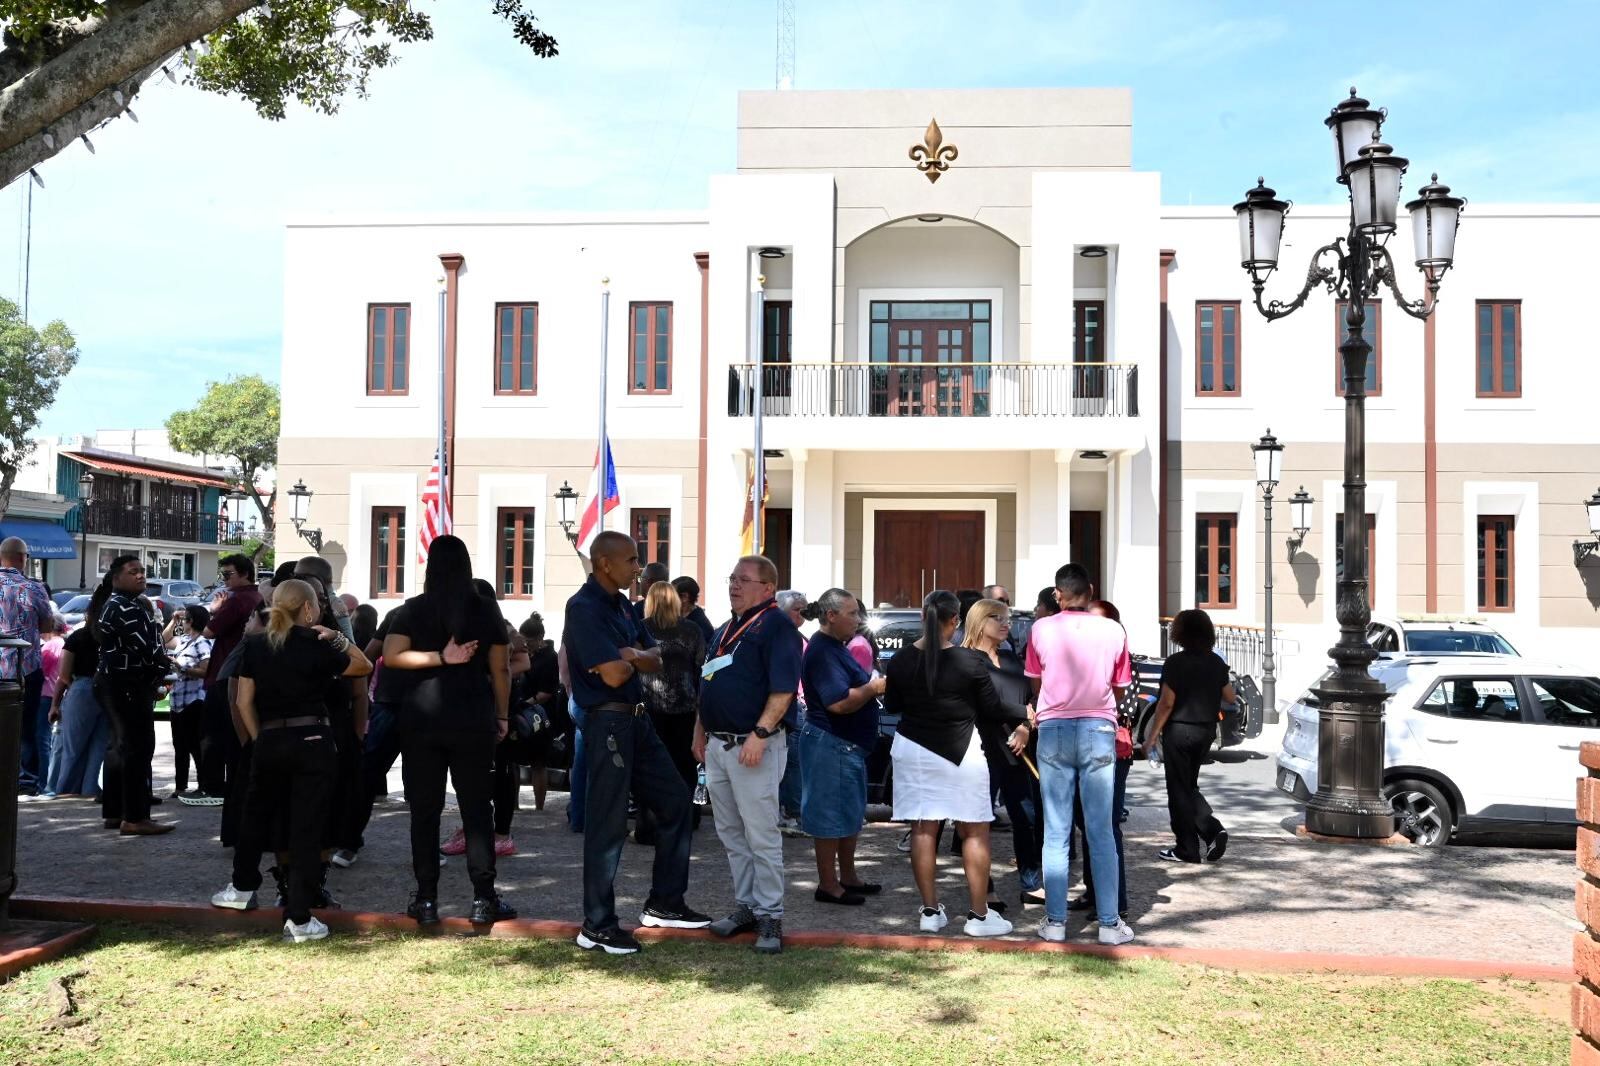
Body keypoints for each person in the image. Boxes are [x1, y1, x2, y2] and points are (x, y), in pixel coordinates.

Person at [565, 531, 709, 955]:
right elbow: (613, 674)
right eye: (631, 560)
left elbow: (655, 658)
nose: (638, 568)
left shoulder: (623, 608)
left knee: (677, 801)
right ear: (604, 564)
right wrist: (630, 657)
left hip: (638, 719)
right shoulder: (583, 607)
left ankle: (665, 903)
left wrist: (628, 655)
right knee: (608, 824)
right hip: (608, 721)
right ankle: (597, 925)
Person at [210, 579, 372, 943]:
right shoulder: (317, 645)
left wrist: (259, 736)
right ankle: (298, 917)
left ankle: (241, 888)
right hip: (313, 737)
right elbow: (362, 667)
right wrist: (337, 637)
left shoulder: (255, 644)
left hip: (270, 737)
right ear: (310, 609)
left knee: (254, 815)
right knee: (306, 826)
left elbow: (241, 700)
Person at [382, 535, 517, 926]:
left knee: (424, 811)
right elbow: (501, 669)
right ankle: (483, 897)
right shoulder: (485, 610)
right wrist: (503, 716)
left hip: (421, 718)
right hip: (472, 717)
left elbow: (391, 657)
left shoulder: (412, 609)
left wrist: (437, 657)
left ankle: (426, 899)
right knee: (477, 809)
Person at [885, 590, 1025, 938]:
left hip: (913, 748)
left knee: (922, 829)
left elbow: (891, 706)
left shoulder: (901, 659)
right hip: (961, 750)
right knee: (975, 829)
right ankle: (979, 915)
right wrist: (1026, 713)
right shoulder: (969, 661)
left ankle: (930, 911)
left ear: (922, 617)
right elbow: (992, 707)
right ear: (955, 621)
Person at [694, 555, 801, 955]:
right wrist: (699, 732)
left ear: (768, 588)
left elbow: (784, 688)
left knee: (761, 835)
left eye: (744, 579)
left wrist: (760, 732)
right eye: (732, 577)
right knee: (731, 834)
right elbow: (709, 682)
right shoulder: (724, 629)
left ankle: (771, 915)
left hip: (753, 745)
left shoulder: (777, 627)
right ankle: (747, 907)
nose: (734, 585)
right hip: (719, 747)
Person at [1025, 563, 1135, 946]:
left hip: (1053, 727)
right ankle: (1109, 922)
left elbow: (1035, 682)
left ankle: (1054, 921)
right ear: (1090, 589)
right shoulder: (1113, 629)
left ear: (1058, 594)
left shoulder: (1040, 628)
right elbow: (1120, 686)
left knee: (1056, 830)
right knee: (1100, 829)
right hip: (1098, 727)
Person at [799, 588, 885, 905]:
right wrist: (873, 688)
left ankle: (847, 877)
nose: (858, 619)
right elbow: (838, 704)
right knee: (829, 818)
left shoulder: (837, 646)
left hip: (845, 746)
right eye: (852, 613)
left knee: (848, 814)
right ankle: (828, 885)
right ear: (831, 615)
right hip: (831, 744)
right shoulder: (822, 651)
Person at [962, 597, 1045, 906]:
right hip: (979, 751)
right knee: (977, 822)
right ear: (980, 623)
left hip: (1016, 751)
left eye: (1006, 617)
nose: (1005, 622)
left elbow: (1032, 700)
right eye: (996, 617)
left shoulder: (1012, 660)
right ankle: (985, 887)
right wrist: (1022, 714)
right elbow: (982, 705)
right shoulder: (966, 659)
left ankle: (1031, 882)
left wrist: (1025, 727)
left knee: (1027, 817)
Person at [1145, 608, 1236, 865]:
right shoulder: (1216, 662)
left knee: (1178, 790)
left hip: (1180, 731)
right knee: (1188, 786)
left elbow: (1166, 703)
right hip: (1206, 730)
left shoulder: (1176, 663)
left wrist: (1152, 737)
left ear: (1181, 633)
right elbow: (1229, 696)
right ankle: (1211, 830)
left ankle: (1187, 848)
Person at [93, 555, 173, 835]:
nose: (141, 576)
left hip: (113, 683)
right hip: (127, 685)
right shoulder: (127, 607)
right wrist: (166, 665)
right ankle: (135, 817)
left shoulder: (112, 604)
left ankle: (115, 813)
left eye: (142, 571)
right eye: (133, 572)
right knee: (138, 749)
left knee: (119, 748)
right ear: (116, 578)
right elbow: (149, 650)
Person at [1068, 599, 1135, 917]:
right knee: (1085, 822)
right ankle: (1094, 893)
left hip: (1111, 748)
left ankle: (1115, 903)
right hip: (1085, 743)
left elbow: (1122, 705)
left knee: (1105, 825)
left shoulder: (1119, 657)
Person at [637, 580, 705, 845]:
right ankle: (687, 821)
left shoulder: (642, 628)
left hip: (649, 707)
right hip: (685, 707)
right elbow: (702, 665)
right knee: (684, 767)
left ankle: (648, 826)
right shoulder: (691, 630)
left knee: (649, 769)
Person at [199, 555, 261, 809]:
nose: (223, 580)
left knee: (213, 735)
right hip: (242, 671)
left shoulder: (238, 601)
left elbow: (209, 631)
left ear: (245, 573)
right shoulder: (256, 598)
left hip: (225, 673)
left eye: (227, 575)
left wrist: (213, 612)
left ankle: (213, 787)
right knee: (234, 734)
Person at [46, 587, 111, 798]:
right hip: (109, 690)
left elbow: (64, 675)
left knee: (72, 748)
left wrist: (55, 704)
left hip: (82, 688)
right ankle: (89, 788)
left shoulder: (79, 636)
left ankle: (66, 791)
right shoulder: (113, 636)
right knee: (98, 746)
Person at [1, 537, 54, 796]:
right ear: (23, 558)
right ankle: (25, 782)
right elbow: (47, 626)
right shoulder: (34, 588)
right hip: (26, 667)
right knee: (26, 726)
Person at [165, 605, 214, 803]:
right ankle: (180, 786)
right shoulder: (184, 640)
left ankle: (204, 784)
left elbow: (206, 670)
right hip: (178, 700)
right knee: (179, 745)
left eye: (185, 619)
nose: (182, 622)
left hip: (194, 700)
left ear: (192, 621)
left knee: (195, 744)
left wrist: (181, 666)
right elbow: (166, 639)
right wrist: (174, 620)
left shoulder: (202, 642)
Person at [774, 588, 809, 836]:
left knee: (793, 763)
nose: (803, 615)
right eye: (798, 610)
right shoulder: (778, 637)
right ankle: (788, 811)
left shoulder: (800, 638)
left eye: (805, 610)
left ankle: (791, 811)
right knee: (786, 763)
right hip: (786, 706)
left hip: (800, 706)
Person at [36, 612, 65, 796]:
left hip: (46, 695)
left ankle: (43, 782)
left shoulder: (48, 647)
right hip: (58, 694)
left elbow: (41, 672)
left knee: (42, 740)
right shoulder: (63, 644)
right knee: (52, 741)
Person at [674, 575, 716, 648]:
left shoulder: (699, 625)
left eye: (671, 595)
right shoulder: (679, 616)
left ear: (684, 597)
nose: (667, 599)